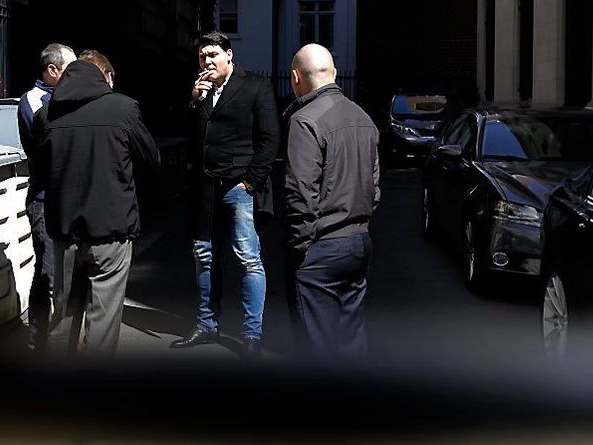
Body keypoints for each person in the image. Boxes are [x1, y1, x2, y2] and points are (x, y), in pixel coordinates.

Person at [34, 51, 160, 356]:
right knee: (102, 322)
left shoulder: (46, 114)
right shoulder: (124, 108)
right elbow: (152, 161)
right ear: (108, 77)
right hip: (111, 229)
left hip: (64, 231)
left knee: (64, 315)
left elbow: (41, 168)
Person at [170, 31, 279, 357]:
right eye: (203, 56)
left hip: (237, 187)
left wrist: (251, 182)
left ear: (229, 55)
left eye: (214, 55)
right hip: (204, 187)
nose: (208, 62)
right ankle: (206, 325)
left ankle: (251, 336)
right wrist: (192, 101)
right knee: (203, 256)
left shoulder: (255, 85)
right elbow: (178, 128)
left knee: (248, 260)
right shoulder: (200, 91)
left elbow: (270, 138)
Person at [283, 44, 380, 357]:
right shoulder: (364, 117)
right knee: (351, 346)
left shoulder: (304, 120)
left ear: (295, 77)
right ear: (334, 74)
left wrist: (300, 248)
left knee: (318, 351)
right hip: (359, 242)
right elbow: (374, 188)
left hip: (321, 247)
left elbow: (299, 193)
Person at [18, 43, 76, 351]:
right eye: (69, 69)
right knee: (49, 274)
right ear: (52, 70)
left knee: (61, 275)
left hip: (67, 198)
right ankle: (41, 345)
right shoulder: (34, 100)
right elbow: (48, 145)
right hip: (44, 199)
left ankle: (50, 341)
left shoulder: (64, 97)